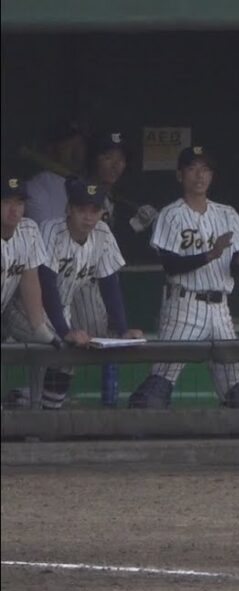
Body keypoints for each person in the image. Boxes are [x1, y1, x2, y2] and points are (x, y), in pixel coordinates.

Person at [127, 145, 239, 409]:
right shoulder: (171, 214)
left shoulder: (226, 213)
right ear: (180, 175)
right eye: (192, 169)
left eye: (206, 169)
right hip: (183, 305)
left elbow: (237, 257)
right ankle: (139, 442)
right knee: (158, 388)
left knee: (238, 391)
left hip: (220, 308)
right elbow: (170, 265)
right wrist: (209, 255)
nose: (200, 176)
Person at [10, 179, 143, 409]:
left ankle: (37, 412)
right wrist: (65, 331)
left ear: (102, 212)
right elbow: (47, 286)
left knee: (77, 347)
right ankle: (40, 418)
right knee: (60, 347)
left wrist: (122, 329)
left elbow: (110, 283)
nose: (88, 217)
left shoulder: (102, 232)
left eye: (94, 210)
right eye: (81, 210)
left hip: (60, 308)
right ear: (68, 209)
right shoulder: (52, 230)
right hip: (24, 307)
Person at [71, 130, 160, 406]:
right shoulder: (77, 190)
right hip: (74, 280)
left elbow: (113, 251)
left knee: (108, 340)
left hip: (101, 281)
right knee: (70, 350)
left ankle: (108, 411)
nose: (115, 164)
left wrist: (135, 227)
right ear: (94, 160)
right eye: (107, 157)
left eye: (120, 159)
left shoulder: (117, 195)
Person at [1, 176, 56, 346]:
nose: (14, 210)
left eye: (19, 203)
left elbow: (30, 281)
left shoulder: (29, 229)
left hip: (5, 311)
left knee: (51, 341)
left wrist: (38, 327)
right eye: (6, 202)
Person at [24, 119, 87, 224]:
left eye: (79, 143)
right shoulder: (38, 186)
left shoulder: (89, 182)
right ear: (51, 148)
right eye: (67, 144)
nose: (77, 150)